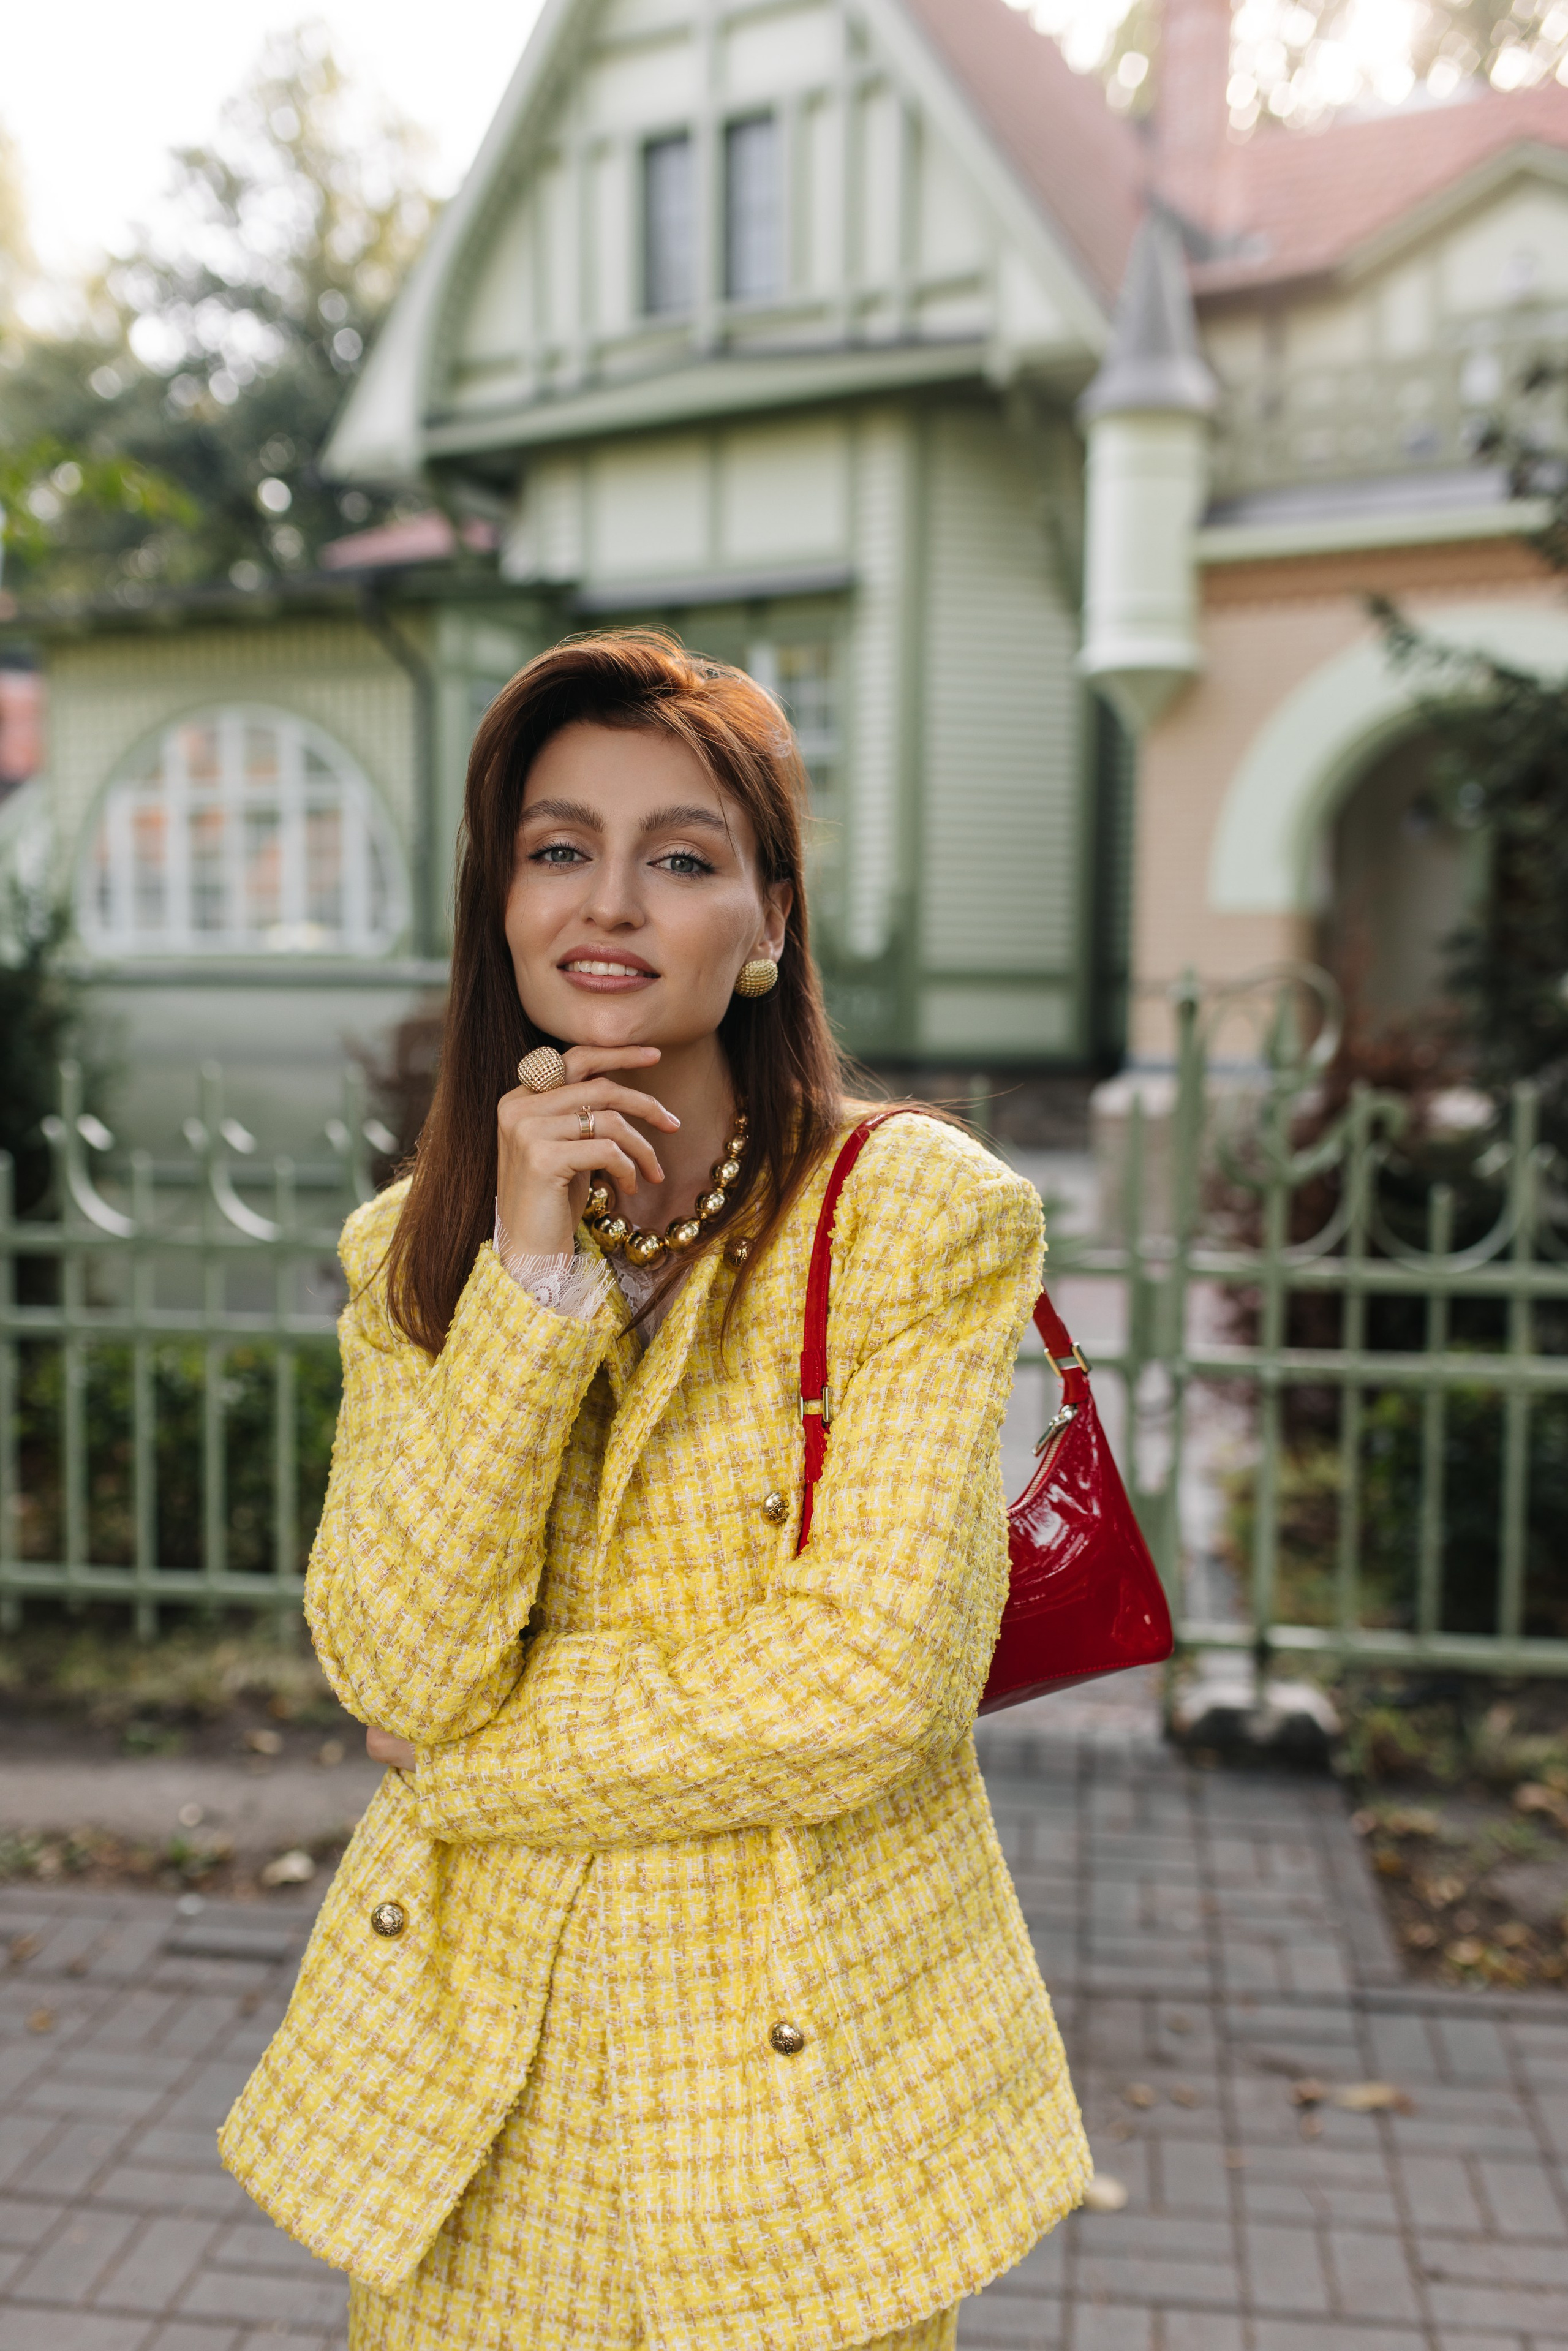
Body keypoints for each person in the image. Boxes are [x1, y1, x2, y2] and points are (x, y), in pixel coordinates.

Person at [220, 631, 1088, 2351]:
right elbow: (395, 1660)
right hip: (480, 2096)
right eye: (560, 849)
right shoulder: (417, 1248)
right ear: (506, 901)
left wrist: (476, 1764)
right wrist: (529, 1292)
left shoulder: (914, 1216)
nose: (608, 901)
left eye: (680, 858)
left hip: (793, 2098)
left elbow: (869, 1685)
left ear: (766, 926)